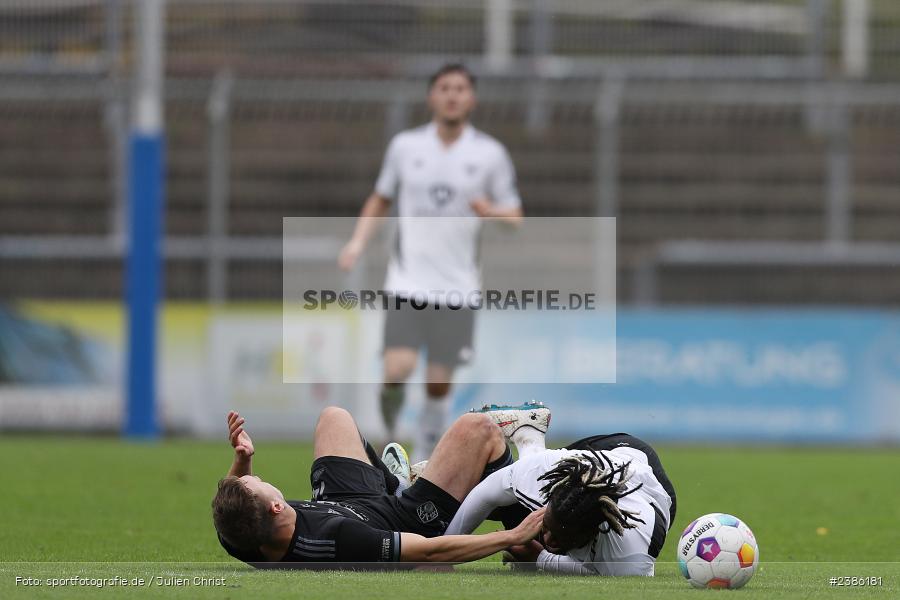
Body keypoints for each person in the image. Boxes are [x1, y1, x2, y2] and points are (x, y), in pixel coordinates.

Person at [338, 63, 524, 461]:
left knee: (439, 385)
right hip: (408, 283)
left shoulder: (489, 153)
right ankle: (389, 422)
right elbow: (380, 198)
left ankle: (421, 461)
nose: (452, 95)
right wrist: (357, 242)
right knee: (397, 371)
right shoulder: (406, 147)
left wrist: (491, 211)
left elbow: (515, 217)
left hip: (458, 287)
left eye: (460, 88)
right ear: (431, 96)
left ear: (471, 98)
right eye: (444, 88)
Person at [211, 407, 544, 568]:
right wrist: (512, 537)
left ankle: (395, 482)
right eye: (257, 483)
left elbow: (237, 507)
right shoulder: (339, 538)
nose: (254, 476)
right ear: (277, 507)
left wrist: (243, 459)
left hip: (341, 500)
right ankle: (534, 546)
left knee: (333, 417)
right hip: (404, 519)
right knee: (480, 429)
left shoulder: (241, 537)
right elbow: (431, 553)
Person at [443, 404, 677, 576]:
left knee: (529, 533)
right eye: (549, 526)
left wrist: (541, 558)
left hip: (650, 485)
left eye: (560, 536)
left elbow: (601, 574)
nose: (547, 537)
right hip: (608, 453)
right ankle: (528, 433)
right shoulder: (546, 472)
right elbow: (487, 492)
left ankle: (529, 436)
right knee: (506, 505)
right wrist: (443, 551)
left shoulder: (631, 551)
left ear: (594, 531)